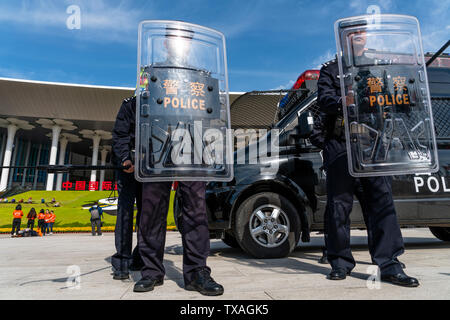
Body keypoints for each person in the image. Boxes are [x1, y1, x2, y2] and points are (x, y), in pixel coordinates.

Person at [317, 27, 418, 287]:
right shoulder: (331, 69)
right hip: (342, 144)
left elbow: (398, 99)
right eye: (352, 33)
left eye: (362, 31)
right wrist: (344, 99)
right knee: (339, 206)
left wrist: (406, 95)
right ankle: (340, 262)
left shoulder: (378, 65)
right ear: (343, 39)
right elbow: (324, 100)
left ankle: (390, 263)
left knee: (382, 202)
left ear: (367, 37)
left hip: (373, 144)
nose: (358, 35)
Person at [132, 22, 224, 296]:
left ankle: (197, 273)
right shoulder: (148, 72)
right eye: (174, 40)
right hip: (158, 143)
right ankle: (151, 272)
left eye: (185, 41)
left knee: (195, 210)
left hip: (192, 144)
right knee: (151, 211)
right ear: (165, 43)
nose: (179, 44)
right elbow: (139, 103)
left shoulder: (200, 74)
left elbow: (212, 109)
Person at [111, 95, 145, 280]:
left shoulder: (163, 104)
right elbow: (120, 134)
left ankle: (140, 256)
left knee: (147, 213)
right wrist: (125, 158)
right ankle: (122, 261)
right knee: (125, 212)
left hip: (150, 167)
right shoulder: (130, 104)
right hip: (128, 166)